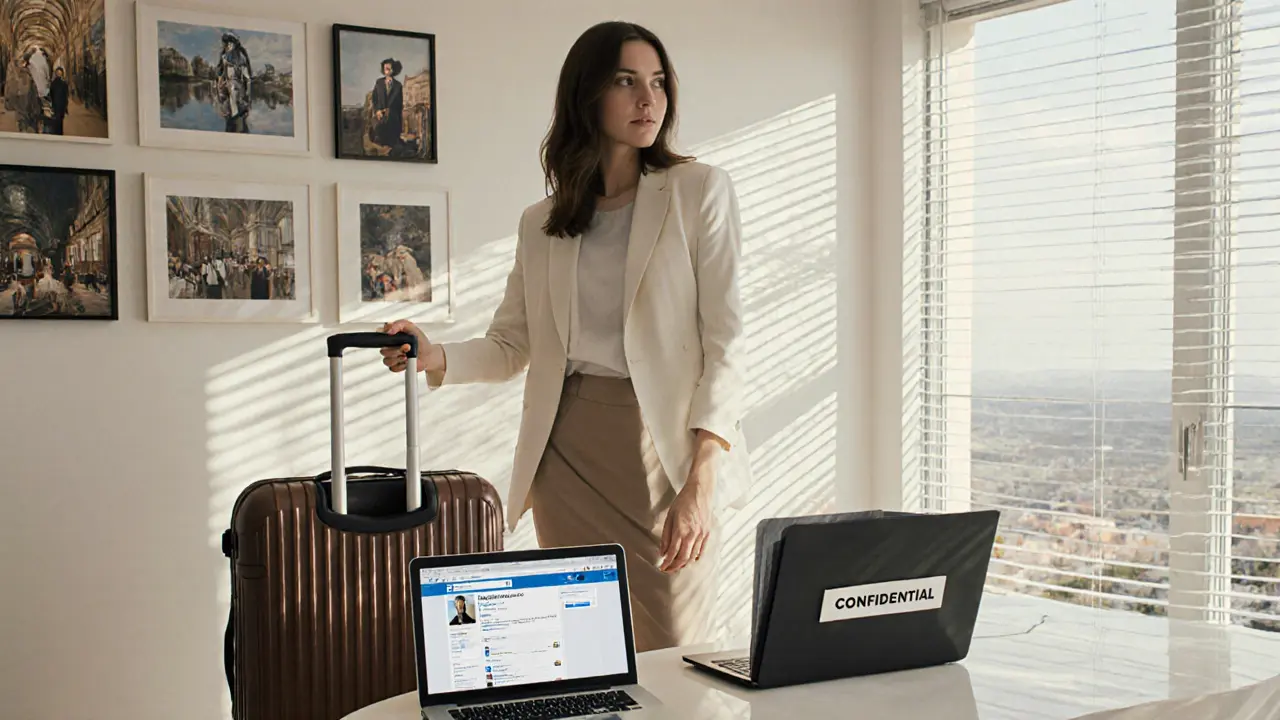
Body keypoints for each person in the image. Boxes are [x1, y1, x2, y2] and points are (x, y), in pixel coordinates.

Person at [379, 21, 750, 653]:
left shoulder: (698, 192)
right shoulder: (543, 223)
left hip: (664, 454)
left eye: (658, 82)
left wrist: (702, 480)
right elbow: (511, 344)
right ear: (588, 94)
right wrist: (433, 353)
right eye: (626, 81)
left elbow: (727, 346)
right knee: (585, 655)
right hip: (568, 453)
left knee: (677, 652)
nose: (649, 99)